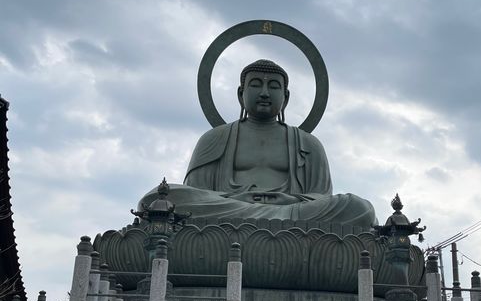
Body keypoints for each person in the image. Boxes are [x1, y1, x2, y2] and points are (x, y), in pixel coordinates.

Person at [138, 60, 375, 228]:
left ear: (286, 97)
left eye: (273, 86)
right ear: (240, 94)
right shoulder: (214, 138)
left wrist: (290, 201)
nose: (264, 93)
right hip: (229, 211)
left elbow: (321, 197)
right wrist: (238, 200)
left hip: (291, 213)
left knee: (359, 208)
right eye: (255, 85)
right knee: (158, 200)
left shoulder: (308, 143)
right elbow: (198, 195)